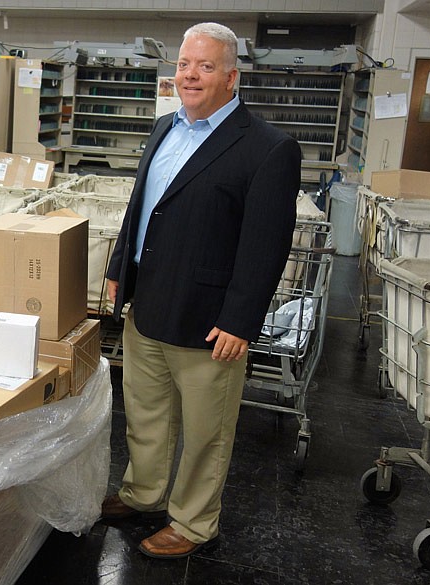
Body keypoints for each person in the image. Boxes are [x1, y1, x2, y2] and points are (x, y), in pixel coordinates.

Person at [101, 22, 301, 559]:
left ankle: (192, 523)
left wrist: (241, 320)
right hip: (148, 303)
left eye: (205, 66)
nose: (190, 75)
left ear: (232, 77)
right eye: (185, 64)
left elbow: (266, 245)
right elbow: (141, 208)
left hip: (210, 319)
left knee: (206, 431)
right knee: (145, 413)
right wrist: (122, 267)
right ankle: (143, 493)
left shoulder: (268, 148)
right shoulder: (165, 127)